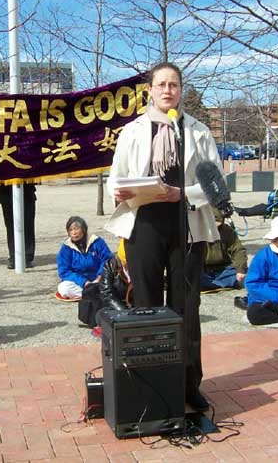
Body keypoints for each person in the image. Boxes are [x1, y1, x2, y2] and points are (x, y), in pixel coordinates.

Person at [106, 61, 223, 411]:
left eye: (174, 84)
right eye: (161, 84)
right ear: (150, 90)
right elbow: (116, 177)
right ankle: (151, 384)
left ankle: (188, 384)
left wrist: (181, 194)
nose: (168, 91)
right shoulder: (133, 131)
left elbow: (215, 184)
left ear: (181, 90)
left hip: (187, 223)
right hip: (144, 224)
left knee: (186, 307)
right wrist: (119, 191)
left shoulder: (197, 131)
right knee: (146, 306)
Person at [56, 216, 113, 300]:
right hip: (80, 283)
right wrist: (84, 282)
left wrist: (99, 276)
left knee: (114, 283)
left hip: (98, 280)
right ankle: (94, 293)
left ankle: (91, 293)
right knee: (63, 288)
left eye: (76, 229)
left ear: (84, 230)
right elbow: (64, 271)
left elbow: (107, 260)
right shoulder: (66, 248)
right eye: (71, 230)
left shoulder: (96, 242)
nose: (74, 233)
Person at [201, 207, 247, 291]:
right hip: (202, 270)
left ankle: (213, 284)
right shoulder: (195, 232)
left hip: (223, 269)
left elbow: (239, 250)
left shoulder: (227, 231)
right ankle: (217, 283)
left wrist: (240, 270)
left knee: (250, 274)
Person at [0, 184, 36, 269]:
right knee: (11, 228)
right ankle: (14, 256)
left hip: (27, 191)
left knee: (28, 226)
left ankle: (27, 257)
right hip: (7, 191)